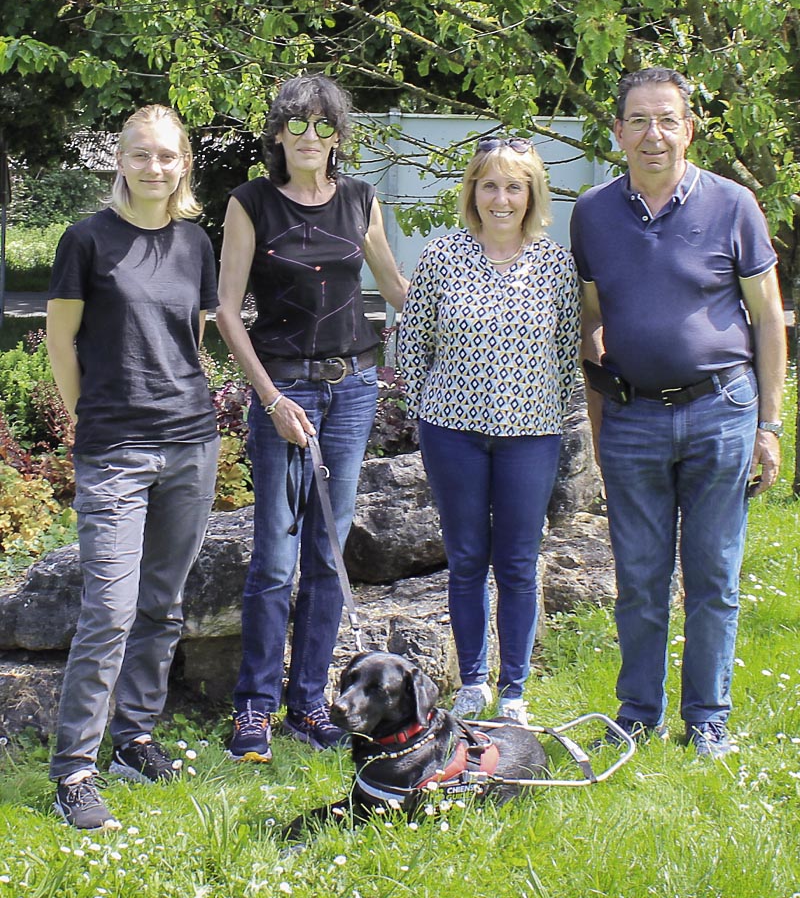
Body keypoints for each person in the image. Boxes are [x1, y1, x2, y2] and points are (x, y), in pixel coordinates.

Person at [570, 67, 787, 758]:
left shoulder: (733, 205)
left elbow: (767, 320)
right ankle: (637, 715)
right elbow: (591, 322)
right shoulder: (593, 214)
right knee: (638, 579)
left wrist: (771, 425)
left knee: (714, 577)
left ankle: (708, 721)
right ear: (618, 133)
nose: (653, 135)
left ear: (689, 128)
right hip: (633, 418)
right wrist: (603, 424)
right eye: (638, 121)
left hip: (721, 411)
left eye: (667, 120)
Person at [216, 74, 408, 761]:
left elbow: (395, 288)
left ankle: (307, 706)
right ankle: (255, 710)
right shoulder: (251, 204)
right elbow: (227, 313)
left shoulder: (360, 200)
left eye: (323, 125)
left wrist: (477, 303)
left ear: (338, 135)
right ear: (276, 135)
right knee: (275, 555)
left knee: (329, 551)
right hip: (284, 393)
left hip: (353, 388)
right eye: (296, 125)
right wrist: (270, 400)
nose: (309, 138)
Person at [46, 105, 220, 829]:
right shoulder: (85, 240)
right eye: (141, 155)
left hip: (191, 441)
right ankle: (73, 771)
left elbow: (193, 340)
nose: (154, 168)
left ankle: (135, 737)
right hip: (115, 448)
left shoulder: (194, 243)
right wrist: (92, 418)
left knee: (161, 605)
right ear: (120, 160)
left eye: (167, 156)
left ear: (184, 164)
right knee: (110, 610)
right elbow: (61, 341)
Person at [398, 137, 580, 724]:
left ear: (532, 195)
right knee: (468, 557)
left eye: (514, 186)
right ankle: (473, 679)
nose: (501, 198)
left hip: (531, 433)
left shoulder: (555, 264)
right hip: (452, 432)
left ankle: (516, 689)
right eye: (490, 185)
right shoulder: (442, 254)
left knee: (520, 562)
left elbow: (566, 351)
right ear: (473, 192)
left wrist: (536, 407)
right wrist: (431, 406)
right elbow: (412, 343)